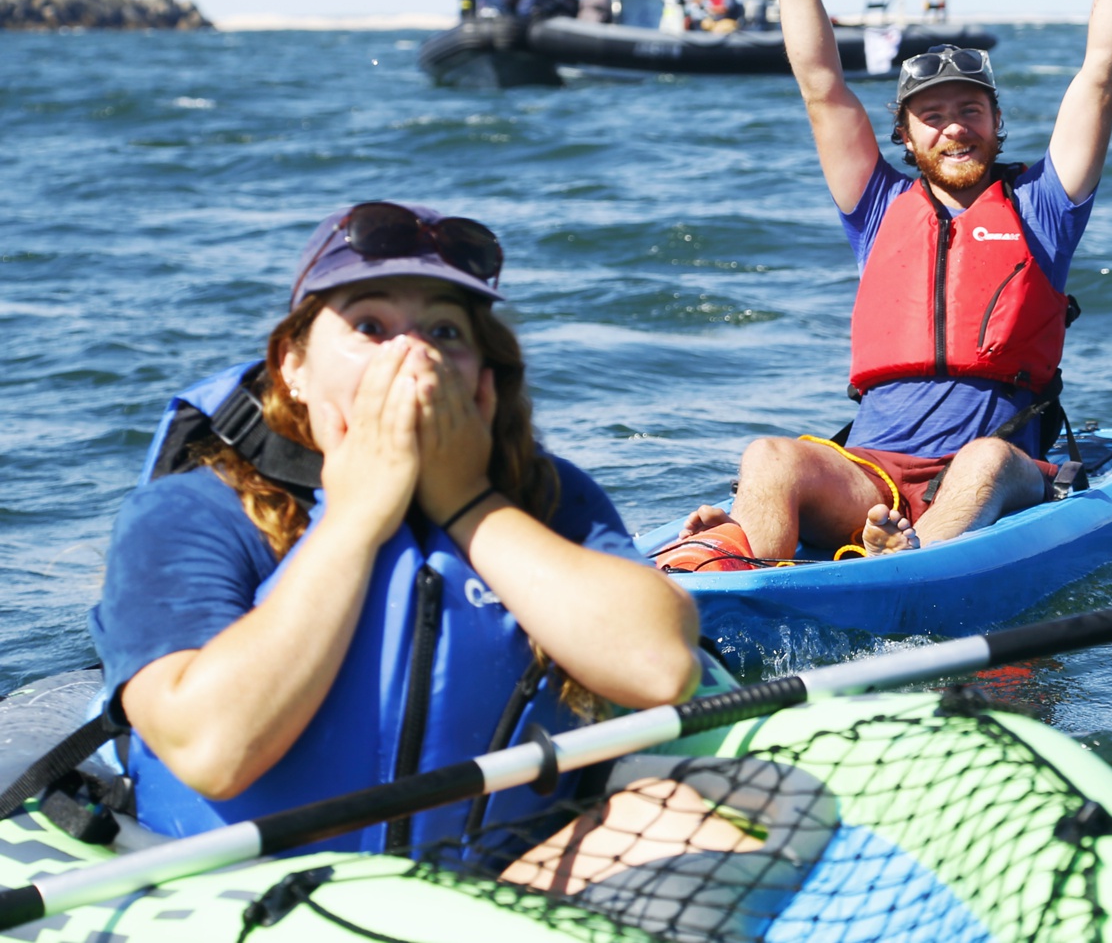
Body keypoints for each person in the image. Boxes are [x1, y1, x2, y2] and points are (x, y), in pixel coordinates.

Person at [90, 202, 702, 853]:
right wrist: (356, 517)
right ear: (292, 365)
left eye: (444, 332)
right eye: (371, 326)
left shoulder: (548, 497)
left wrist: (466, 501)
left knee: (730, 812)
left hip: (510, 878)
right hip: (264, 900)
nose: (412, 357)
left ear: (483, 377)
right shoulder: (189, 513)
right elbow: (213, 750)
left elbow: (660, 669)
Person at [655, 0, 1112, 570]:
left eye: (971, 112)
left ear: (998, 125)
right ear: (906, 139)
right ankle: (747, 574)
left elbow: (1100, 74)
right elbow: (821, 85)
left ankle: (904, 564)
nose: (955, 129)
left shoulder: (1044, 207)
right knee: (769, 457)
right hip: (873, 475)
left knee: (980, 463)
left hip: (994, 470)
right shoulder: (878, 208)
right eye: (933, 117)